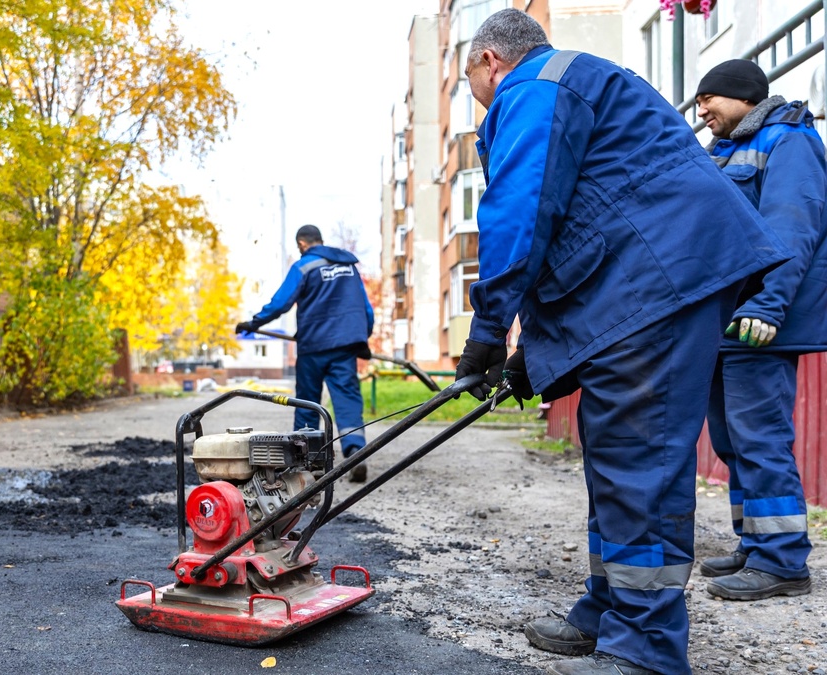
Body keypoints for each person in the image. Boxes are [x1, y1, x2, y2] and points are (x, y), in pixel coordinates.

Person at [453, 11, 789, 675]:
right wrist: (533, 358)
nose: (476, 95)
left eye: (470, 81)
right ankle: (612, 607)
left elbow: (522, 211)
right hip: (647, 281)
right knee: (617, 456)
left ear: (489, 59)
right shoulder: (573, 84)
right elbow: (582, 220)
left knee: (639, 458)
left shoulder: (536, 86)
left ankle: (644, 648)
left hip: (660, 280)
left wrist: (488, 329)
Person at [693, 59, 825, 600]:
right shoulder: (722, 152)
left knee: (760, 438)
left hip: (759, 321)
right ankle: (755, 543)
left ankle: (784, 561)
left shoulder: (788, 140)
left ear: (742, 96)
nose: (701, 111)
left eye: (709, 99)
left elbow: (792, 227)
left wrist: (768, 307)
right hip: (725, 321)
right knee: (731, 440)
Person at [234, 224, 374, 482]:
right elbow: (366, 308)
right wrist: (362, 339)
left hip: (313, 346)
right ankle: (355, 452)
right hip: (344, 347)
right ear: (320, 240)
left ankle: (310, 461)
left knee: (308, 402)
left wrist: (254, 323)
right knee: (347, 399)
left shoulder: (304, 266)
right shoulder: (348, 267)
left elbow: (281, 303)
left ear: (301, 243)